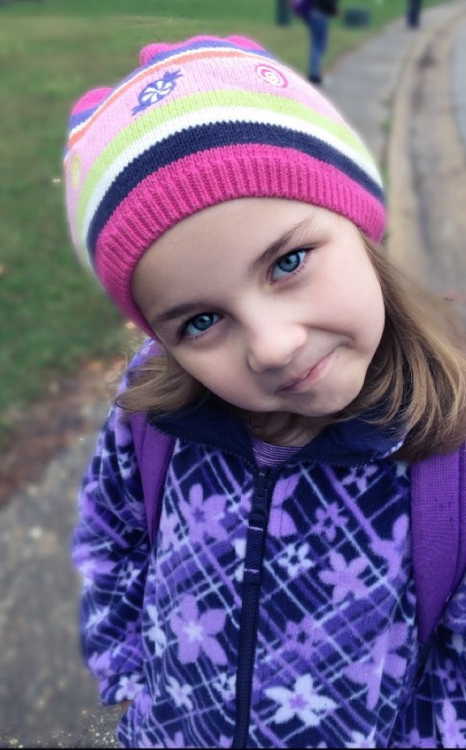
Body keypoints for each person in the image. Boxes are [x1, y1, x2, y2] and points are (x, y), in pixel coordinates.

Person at [63, 35, 466, 748]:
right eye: (201, 321)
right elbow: (110, 532)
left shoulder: (448, 460)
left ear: (361, 225)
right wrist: (127, 675)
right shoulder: (158, 415)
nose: (273, 347)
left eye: (288, 262)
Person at [293, 0, 339, 84]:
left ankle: (314, 73)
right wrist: (333, 9)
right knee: (319, 44)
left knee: (318, 43)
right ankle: (314, 75)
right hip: (318, 11)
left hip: (314, 11)